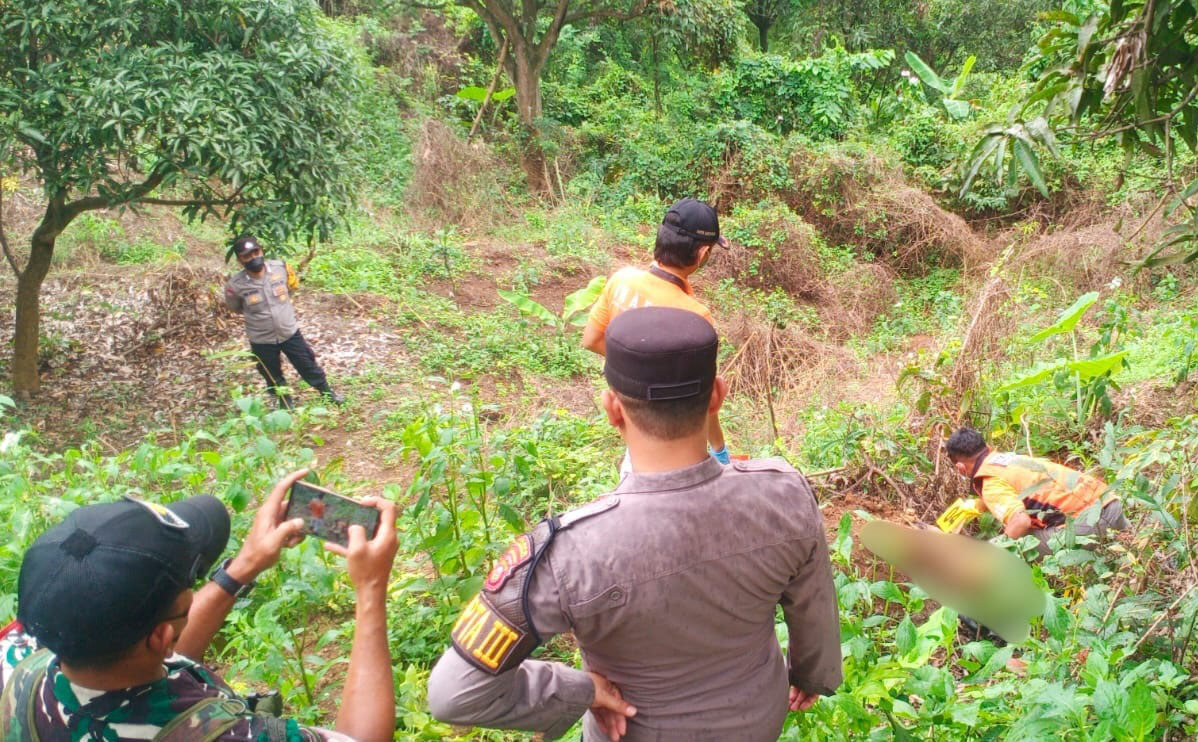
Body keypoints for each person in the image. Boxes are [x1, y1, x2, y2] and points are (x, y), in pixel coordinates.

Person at [427, 307, 842, 741]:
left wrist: (580, 690)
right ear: (717, 396)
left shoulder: (569, 554)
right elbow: (813, 608)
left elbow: (453, 694)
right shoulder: (784, 494)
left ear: (612, 409)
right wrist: (814, 675)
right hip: (757, 720)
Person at [0, 469, 398, 741]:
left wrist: (244, 567)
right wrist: (371, 588)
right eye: (189, 582)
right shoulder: (228, 735)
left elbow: (144, 658)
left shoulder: (19, 659)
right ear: (161, 636)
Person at [580, 198, 732, 465]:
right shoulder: (695, 316)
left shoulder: (621, 280)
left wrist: (638, 372)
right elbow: (703, 398)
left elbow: (591, 339)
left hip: (636, 436)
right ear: (702, 254)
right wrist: (719, 449)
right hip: (680, 447)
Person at [945, 427, 1129, 555]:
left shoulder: (990, 484)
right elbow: (1018, 489)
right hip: (1110, 503)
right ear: (988, 448)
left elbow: (1021, 521)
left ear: (961, 467)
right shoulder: (1008, 460)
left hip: (1090, 524)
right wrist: (978, 504)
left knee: (1015, 543)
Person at [224, 235, 345, 409]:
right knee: (270, 372)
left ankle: (327, 393)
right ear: (240, 260)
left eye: (256, 252)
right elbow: (235, 307)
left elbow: (292, 289)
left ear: (261, 251)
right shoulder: (235, 285)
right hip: (261, 338)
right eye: (247, 256)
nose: (253, 258)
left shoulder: (281, 268)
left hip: (289, 332)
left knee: (306, 363)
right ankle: (284, 400)